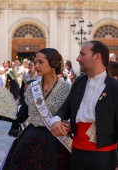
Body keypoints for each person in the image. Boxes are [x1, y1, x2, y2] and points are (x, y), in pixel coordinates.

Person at [50, 40, 118, 170]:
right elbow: (65, 109)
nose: (78, 58)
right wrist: (56, 120)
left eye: (82, 54)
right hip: (77, 152)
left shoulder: (114, 87)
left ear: (97, 57)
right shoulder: (79, 82)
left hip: (104, 156)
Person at [1, 48, 71, 169]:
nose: (36, 65)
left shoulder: (67, 89)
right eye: (35, 62)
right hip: (31, 138)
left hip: (56, 142)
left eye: (40, 62)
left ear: (53, 63)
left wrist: (70, 126)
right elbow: (21, 117)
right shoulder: (33, 87)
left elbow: (74, 116)